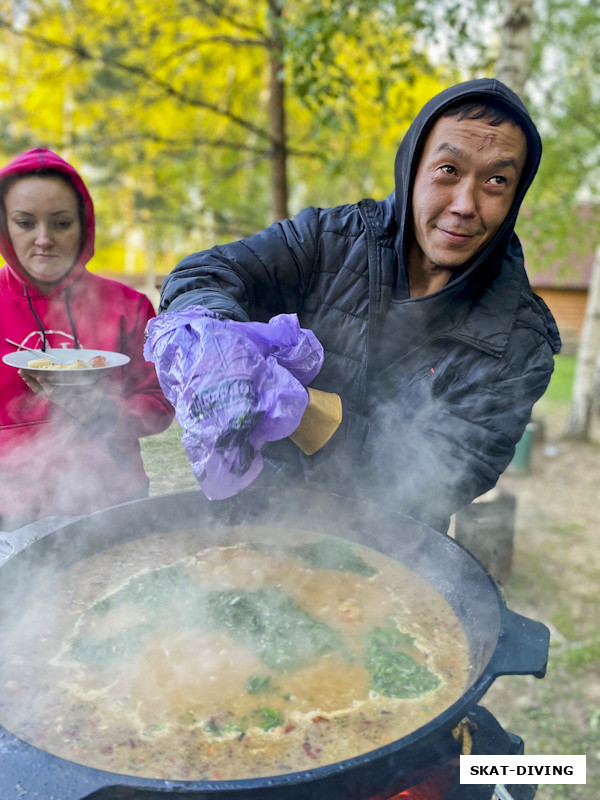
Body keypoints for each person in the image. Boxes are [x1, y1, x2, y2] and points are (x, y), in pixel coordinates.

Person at [156, 78, 561, 533]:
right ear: (412, 168)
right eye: (448, 169)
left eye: (496, 180)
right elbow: (206, 273)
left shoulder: (520, 342)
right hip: (257, 523)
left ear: (514, 197)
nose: (465, 204)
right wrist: (210, 336)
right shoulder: (330, 239)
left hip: (394, 553)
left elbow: (440, 479)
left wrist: (299, 407)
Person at [0, 148, 175, 530]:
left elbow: (161, 405)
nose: (43, 239)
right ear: (4, 226)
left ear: (84, 225)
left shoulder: (128, 306)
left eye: (61, 223)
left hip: (114, 504)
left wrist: (103, 410)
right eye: (25, 222)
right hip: (9, 515)